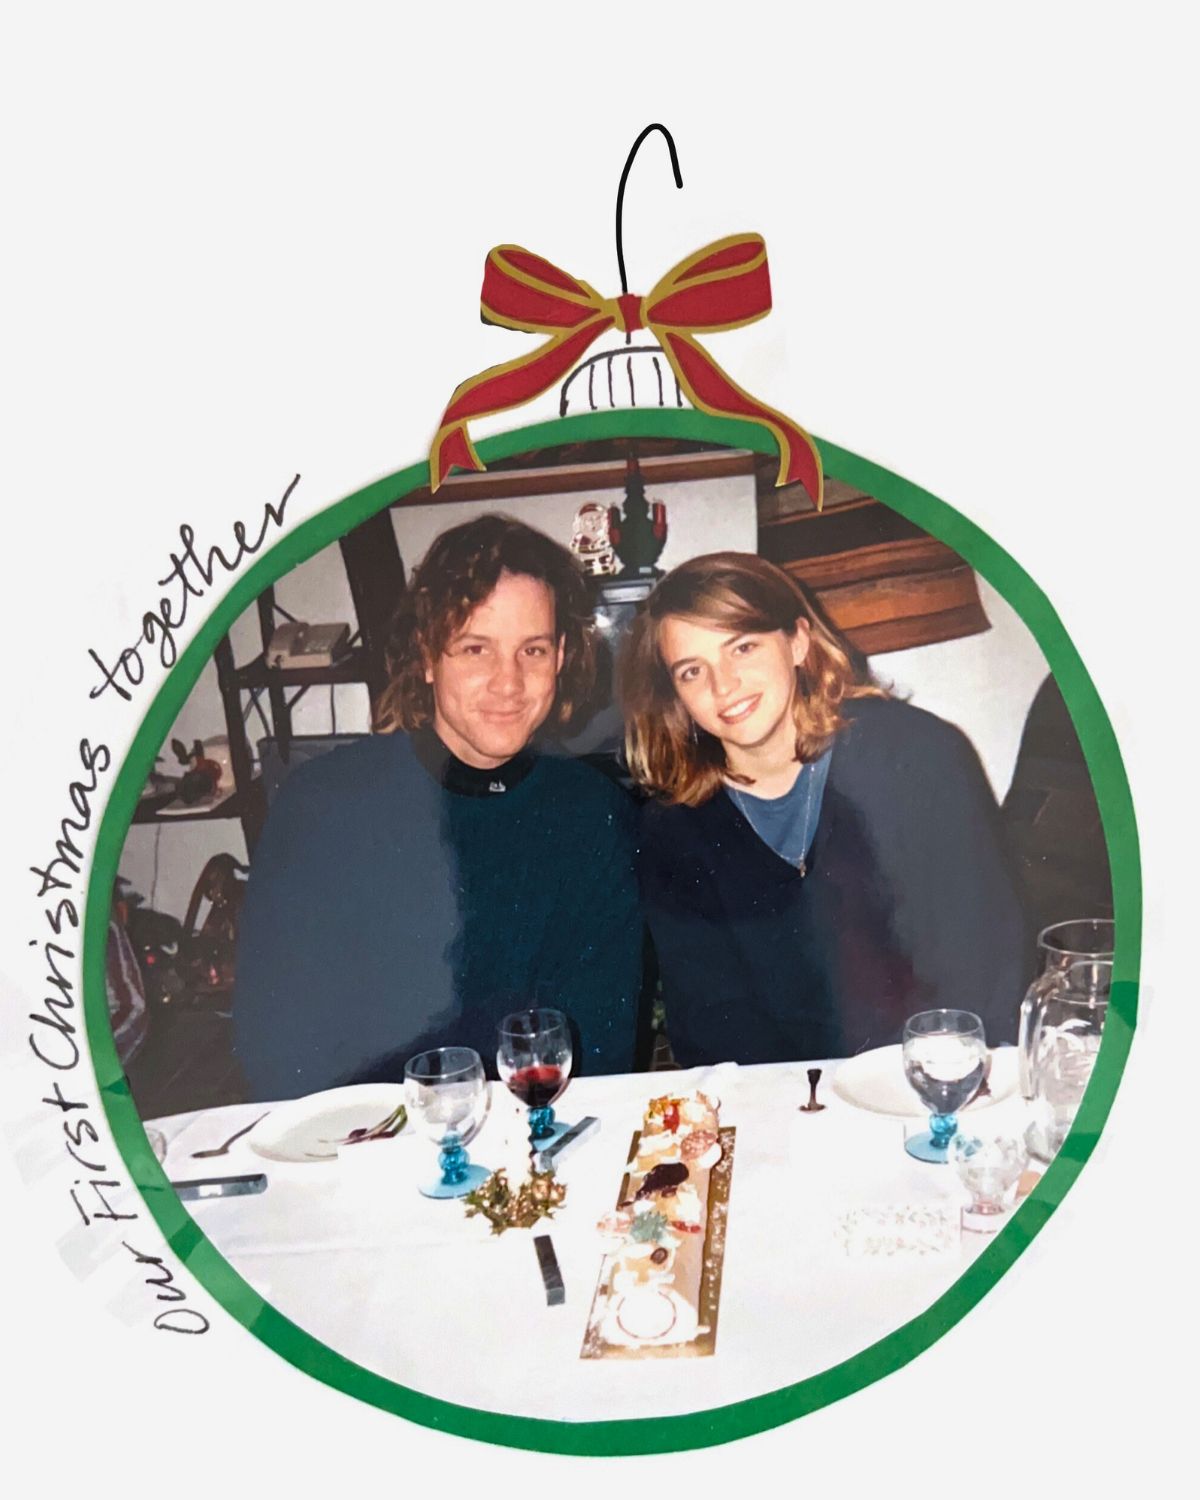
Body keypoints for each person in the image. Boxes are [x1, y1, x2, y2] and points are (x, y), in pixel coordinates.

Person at [233, 514, 644, 1100]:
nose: (509, 682)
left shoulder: (593, 814)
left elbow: (599, 1056)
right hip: (359, 1148)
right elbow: (279, 1054)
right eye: (476, 648)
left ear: (559, 660)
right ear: (428, 656)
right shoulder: (323, 806)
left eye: (532, 650)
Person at [620, 552, 1032, 1068]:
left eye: (743, 647)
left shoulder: (918, 755)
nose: (723, 686)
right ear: (674, 696)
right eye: (691, 671)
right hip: (790, 1108)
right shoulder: (675, 829)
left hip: (934, 1082)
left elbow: (986, 968)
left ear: (797, 641)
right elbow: (711, 1028)